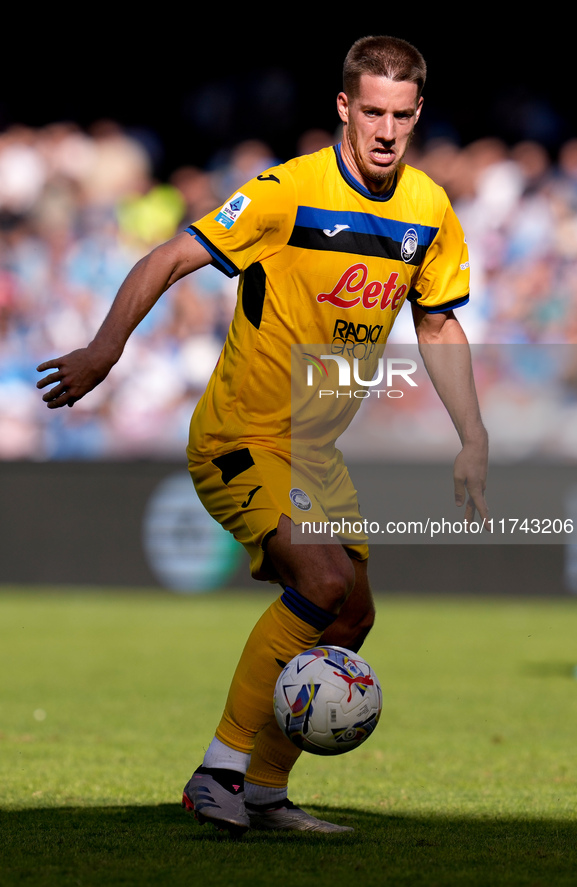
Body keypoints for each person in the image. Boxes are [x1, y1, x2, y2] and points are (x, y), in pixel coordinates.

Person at [37, 35, 489, 836]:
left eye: (402, 115)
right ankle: (218, 771)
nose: (386, 130)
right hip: (239, 434)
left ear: (417, 115)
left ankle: (267, 791)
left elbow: (439, 321)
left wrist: (471, 434)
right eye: (372, 112)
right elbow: (174, 253)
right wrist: (105, 350)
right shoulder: (288, 191)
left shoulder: (427, 208)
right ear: (344, 108)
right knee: (319, 583)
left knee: (350, 619)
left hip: (316, 452)